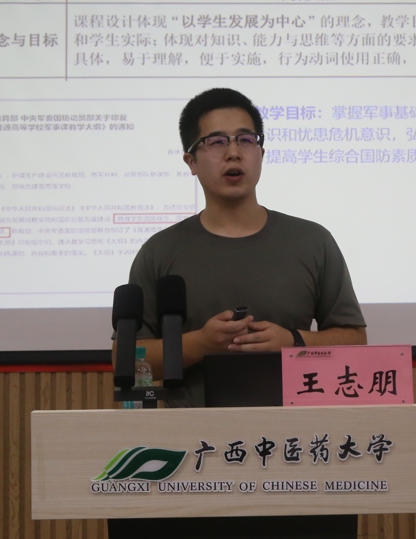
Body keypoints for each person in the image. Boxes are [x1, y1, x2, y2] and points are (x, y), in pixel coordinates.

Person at [118, 87, 367, 407]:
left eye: (246, 140)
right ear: (191, 161)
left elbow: (355, 342)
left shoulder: (313, 242)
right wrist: (201, 344)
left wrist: (294, 342)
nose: (234, 153)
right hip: (193, 434)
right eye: (217, 141)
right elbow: (126, 361)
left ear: (261, 153)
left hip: (296, 431)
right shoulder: (160, 251)